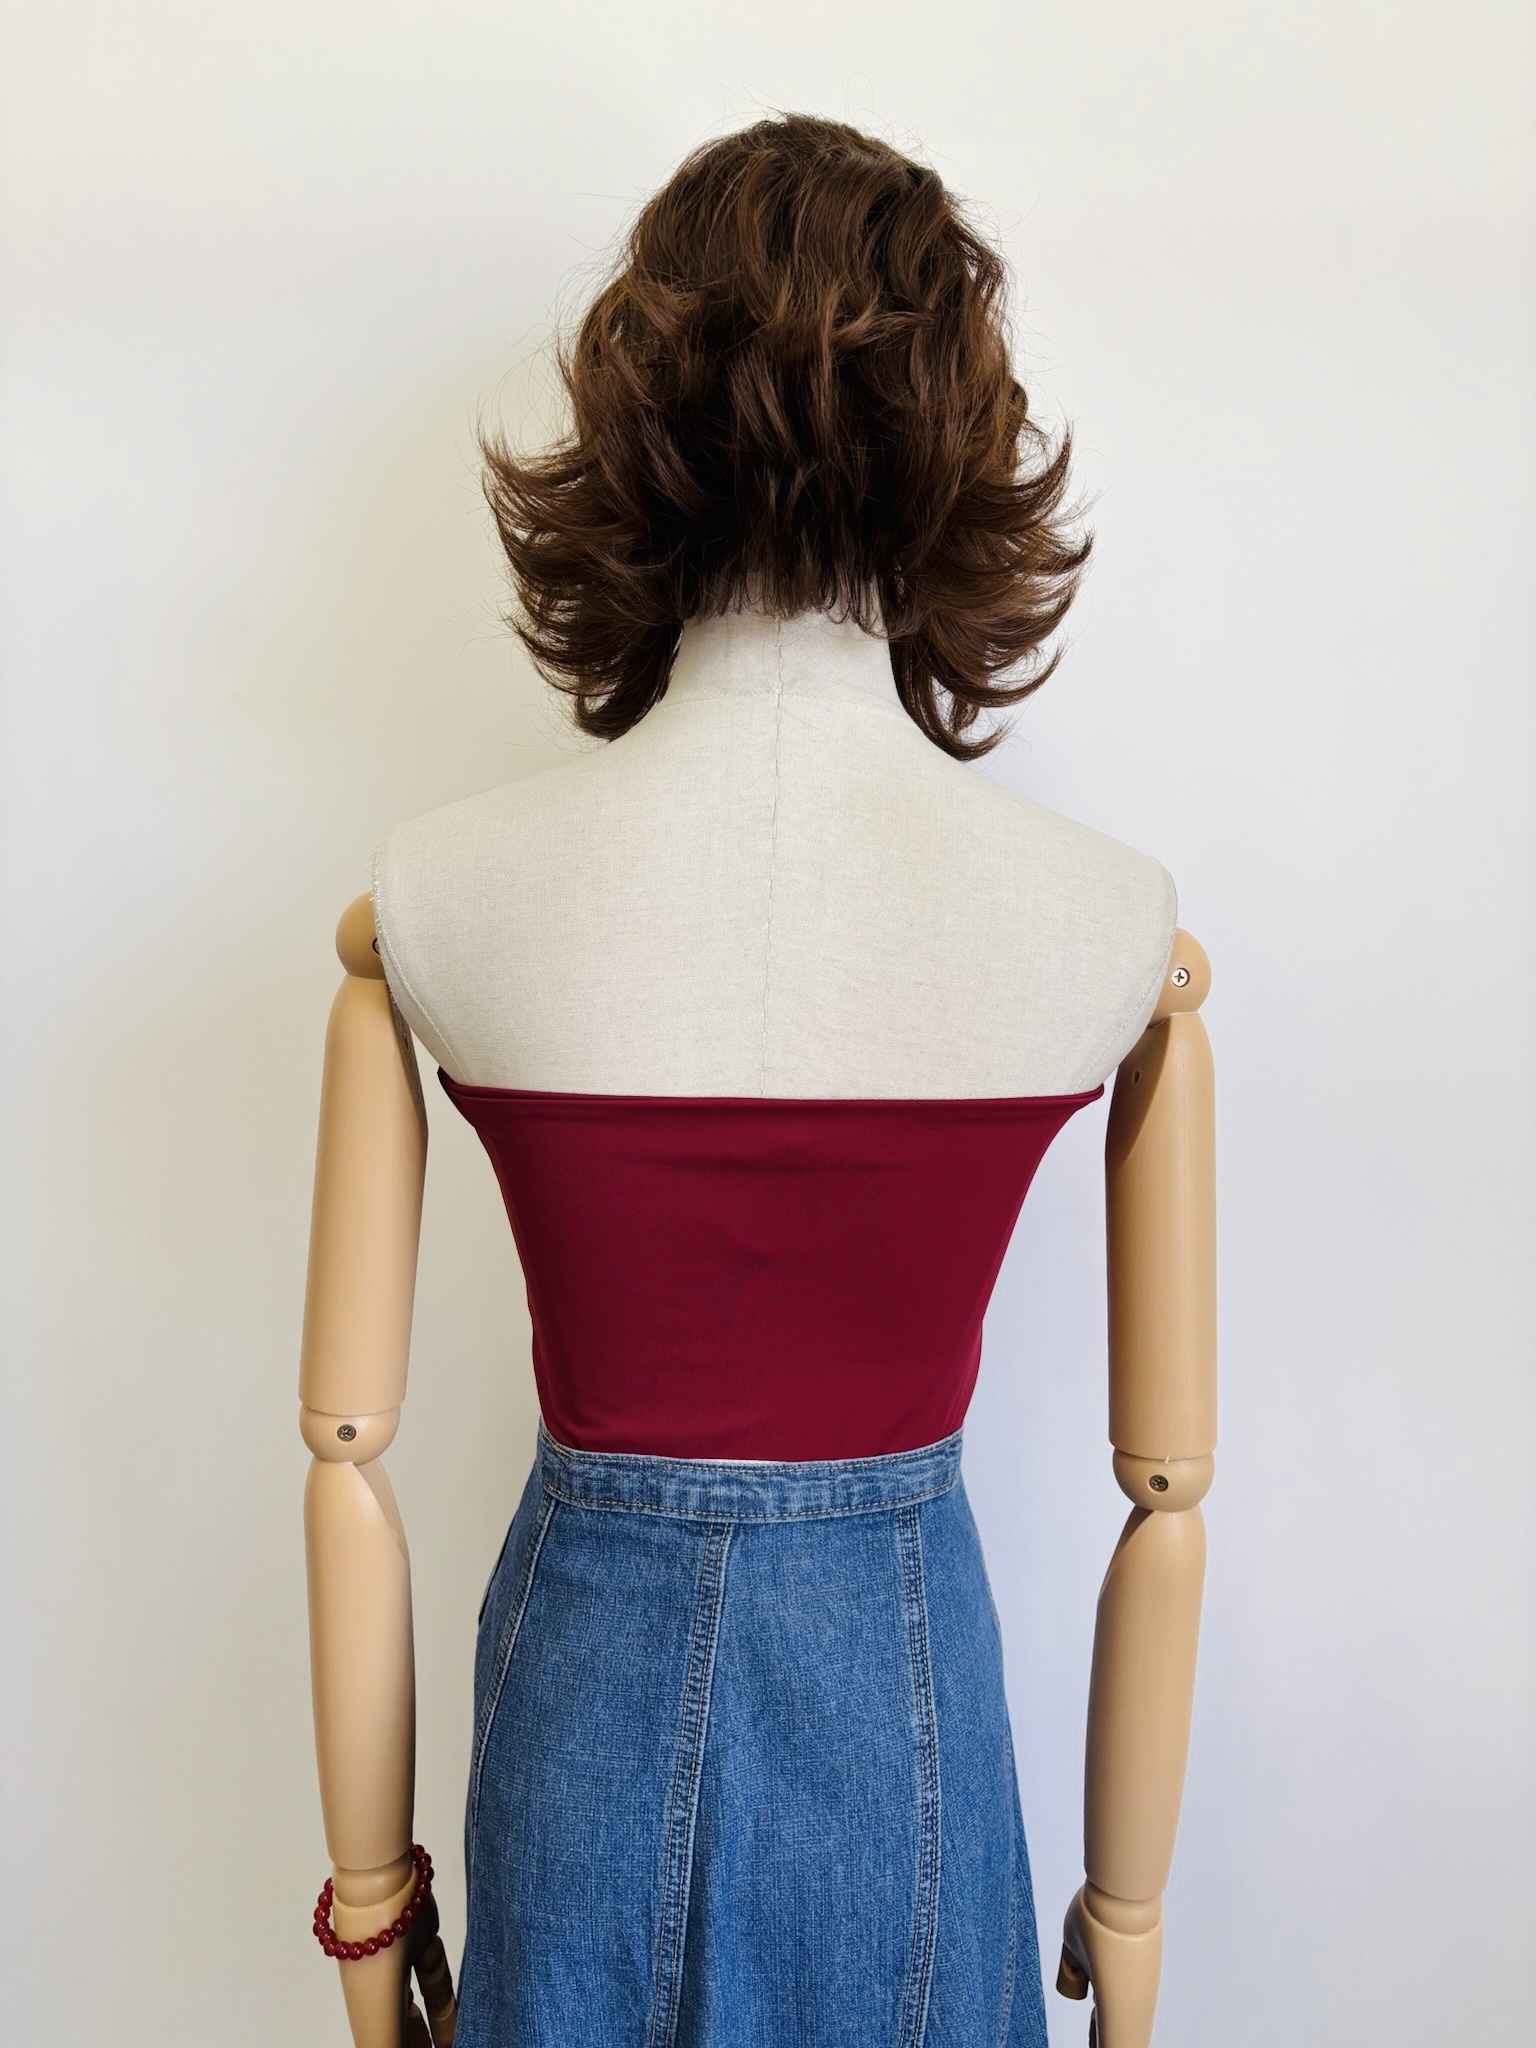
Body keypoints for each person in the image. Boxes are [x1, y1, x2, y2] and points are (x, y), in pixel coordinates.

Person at [299, 113, 1216, 2048]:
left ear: (639, 416)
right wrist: (1125, 1933)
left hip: (579, 1704)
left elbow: (341, 1456)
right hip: (909, 1719)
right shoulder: (1106, 926)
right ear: (956, 436)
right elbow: (1171, 1494)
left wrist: (370, 1918)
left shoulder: (439, 898)